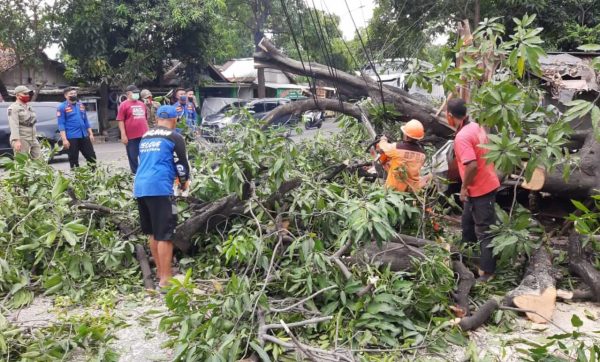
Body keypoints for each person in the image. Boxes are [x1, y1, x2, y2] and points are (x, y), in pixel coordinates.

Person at [134, 105, 190, 289]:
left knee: (153, 232)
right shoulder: (175, 137)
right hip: (160, 187)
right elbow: (181, 165)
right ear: (174, 120)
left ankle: (160, 272)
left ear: (157, 119)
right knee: (165, 234)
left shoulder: (145, 136)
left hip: (141, 187)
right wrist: (183, 183)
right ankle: (166, 280)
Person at [447, 98, 500, 282]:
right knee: (467, 224)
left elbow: (471, 165)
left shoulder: (462, 137)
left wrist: (463, 187)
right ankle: (468, 258)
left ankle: (488, 272)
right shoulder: (475, 126)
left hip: (480, 189)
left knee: (485, 231)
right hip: (483, 184)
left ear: (450, 116)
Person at [377, 119, 429, 193]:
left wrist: (383, 140)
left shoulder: (396, 148)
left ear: (406, 136)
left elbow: (383, 147)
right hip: (412, 191)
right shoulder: (423, 154)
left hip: (394, 190)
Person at [57, 87, 96, 168]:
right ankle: (77, 177)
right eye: (71, 94)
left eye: (75, 93)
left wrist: (91, 134)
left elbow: (86, 120)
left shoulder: (80, 105)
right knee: (74, 160)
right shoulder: (61, 107)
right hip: (72, 137)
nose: (74, 95)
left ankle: (93, 176)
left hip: (84, 135)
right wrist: (64, 139)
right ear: (65, 96)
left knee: (92, 157)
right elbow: (61, 124)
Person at [117, 84, 148, 174]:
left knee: (145, 155)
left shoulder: (142, 104)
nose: (137, 94)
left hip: (144, 134)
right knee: (133, 156)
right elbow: (120, 120)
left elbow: (145, 119)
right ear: (128, 94)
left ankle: (144, 172)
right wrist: (123, 135)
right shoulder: (123, 105)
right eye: (134, 93)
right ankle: (135, 173)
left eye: (137, 92)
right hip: (131, 136)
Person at [8, 85, 41, 159]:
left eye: (28, 94)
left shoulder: (29, 107)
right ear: (17, 95)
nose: (27, 95)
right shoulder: (13, 108)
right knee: (21, 163)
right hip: (22, 138)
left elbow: (32, 122)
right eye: (25, 94)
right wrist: (16, 140)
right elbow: (13, 125)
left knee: (39, 162)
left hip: (33, 138)